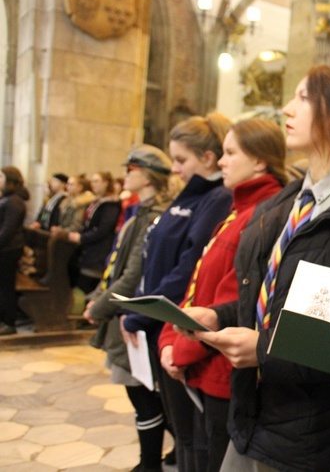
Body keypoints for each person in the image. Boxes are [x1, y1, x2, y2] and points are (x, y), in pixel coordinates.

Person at [178, 65, 330, 471]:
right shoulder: (286, 202)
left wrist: (264, 349)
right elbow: (272, 293)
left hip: (317, 440)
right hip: (253, 418)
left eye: (302, 97)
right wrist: (219, 315)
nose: (285, 109)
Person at [158, 118, 287, 471]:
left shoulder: (264, 215)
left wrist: (179, 350)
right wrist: (170, 338)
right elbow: (198, 286)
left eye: (231, 153)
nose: (221, 162)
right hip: (203, 360)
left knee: (209, 459)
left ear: (260, 161)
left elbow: (233, 301)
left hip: (221, 366)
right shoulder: (240, 209)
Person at [122, 112, 234, 472]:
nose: (176, 169)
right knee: (182, 432)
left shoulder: (217, 198)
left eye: (182, 160)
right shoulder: (189, 195)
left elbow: (189, 269)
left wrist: (144, 312)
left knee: (192, 436)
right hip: (162, 322)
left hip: (178, 321)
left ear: (207, 157)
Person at [84, 145, 174, 472]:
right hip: (123, 310)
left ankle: (149, 464)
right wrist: (97, 296)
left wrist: (101, 306)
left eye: (130, 168)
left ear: (147, 174)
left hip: (133, 314)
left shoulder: (154, 215)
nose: (125, 174)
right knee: (144, 395)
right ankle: (169, 454)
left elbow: (136, 273)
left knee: (143, 395)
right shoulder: (139, 210)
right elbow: (116, 263)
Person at [65, 171, 122, 294]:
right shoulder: (96, 201)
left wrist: (82, 237)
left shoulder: (111, 204)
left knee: (86, 286)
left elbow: (103, 229)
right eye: (92, 181)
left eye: (96, 181)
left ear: (106, 183)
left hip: (98, 252)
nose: (93, 184)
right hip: (87, 250)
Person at [0, 166, 30, 336]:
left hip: (8, 249)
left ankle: (8, 322)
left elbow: (8, 229)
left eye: (1, 177)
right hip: (6, 247)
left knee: (6, 287)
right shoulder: (9, 198)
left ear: (10, 179)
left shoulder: (14, 201)